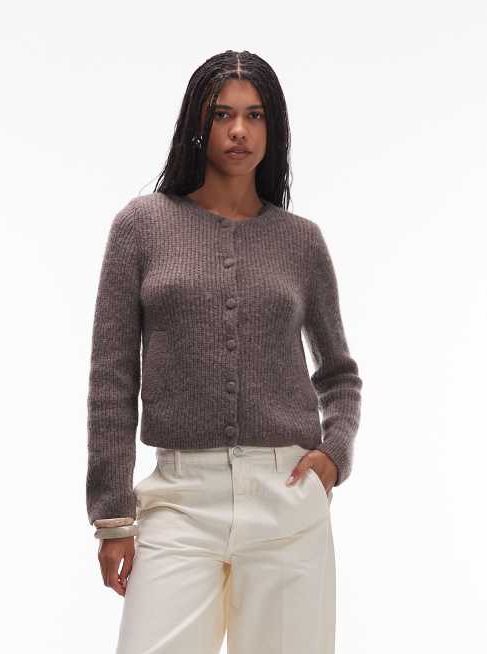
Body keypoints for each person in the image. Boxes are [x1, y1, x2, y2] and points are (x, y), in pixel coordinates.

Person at [86, 49, 362, 654]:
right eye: (223, 114)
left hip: (287, 500)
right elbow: (111, 379)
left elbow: (339, 373)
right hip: (179, 502)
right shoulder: (141, 227)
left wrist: (334, 454)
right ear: (197, 123)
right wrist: (112, 516)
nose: (240, 130)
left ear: (273, 127)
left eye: (255, 115)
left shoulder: (301, 242)